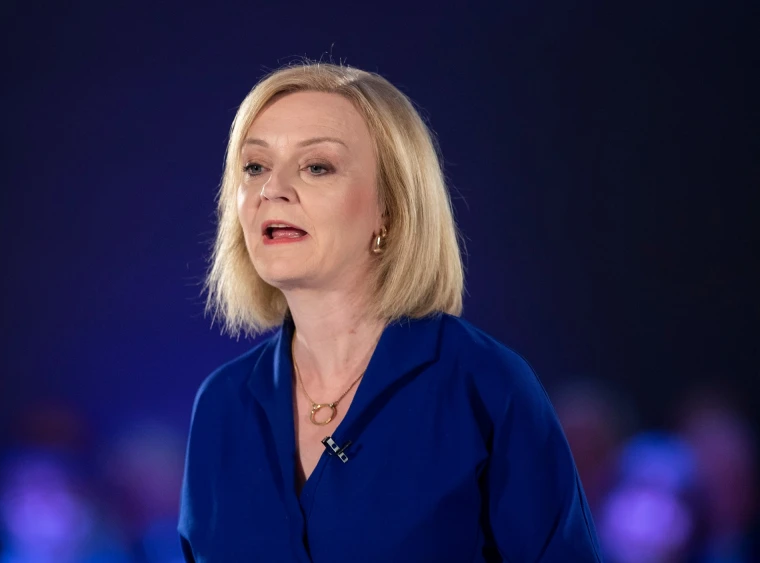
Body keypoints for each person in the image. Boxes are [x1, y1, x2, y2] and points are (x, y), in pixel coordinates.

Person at [178, 62, 602, 562]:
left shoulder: (486, 386)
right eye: (255, 167)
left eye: (317, 167)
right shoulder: (221, 404)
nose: (273, 189)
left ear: (391, 208)